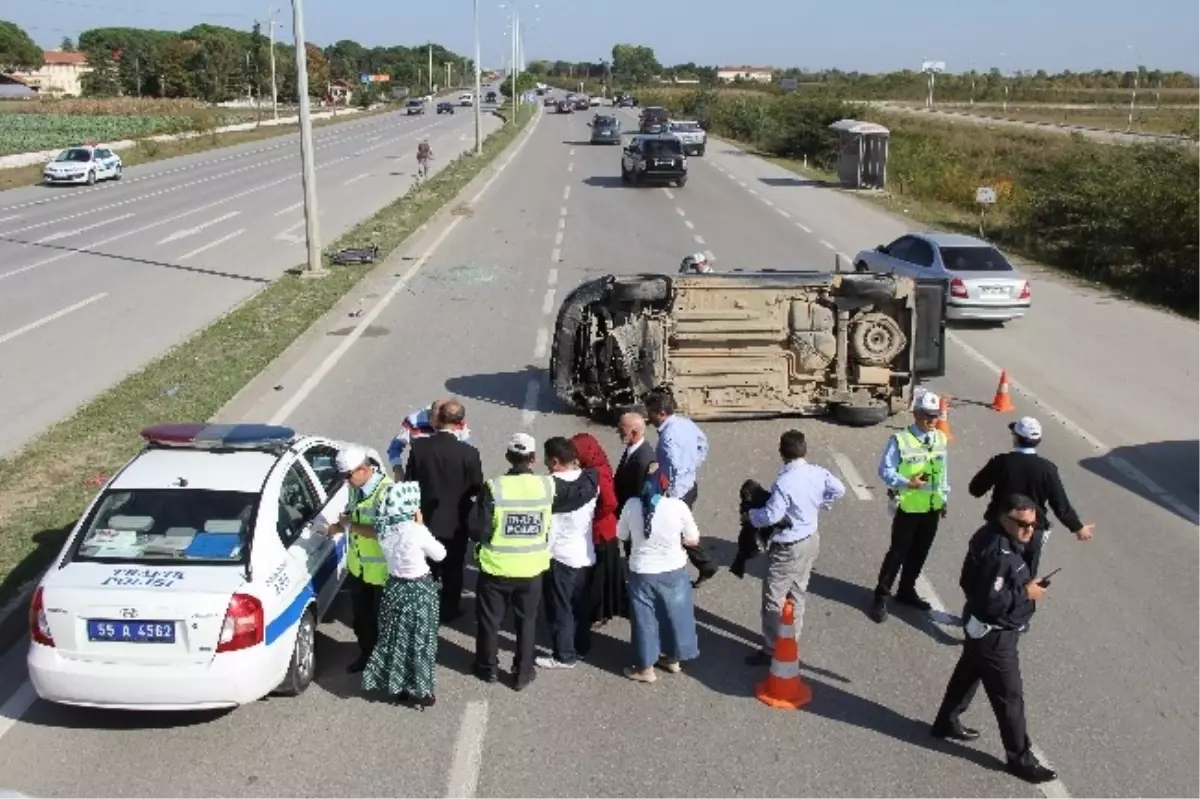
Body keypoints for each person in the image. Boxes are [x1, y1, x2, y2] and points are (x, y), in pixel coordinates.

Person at [931, 494, 1059, 785]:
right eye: (1023, 524)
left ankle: (946, 722)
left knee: (969, 672)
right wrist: (1026, 594)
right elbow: (992, 602)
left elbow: (969, 582)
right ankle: (1020, 759)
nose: (1029, 530)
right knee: (1009, 698)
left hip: (981, 628)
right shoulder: (998, 555)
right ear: (1004, 518)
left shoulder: (989, 535)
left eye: (1033, 525)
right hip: (996, 635)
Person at [468, 433, 599, 690]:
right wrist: (593, 474)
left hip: (496, 568)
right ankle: (523, 672)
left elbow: (477, 530)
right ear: (533, 458)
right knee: (526, 622)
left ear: (508, 456)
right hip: (531, 569)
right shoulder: (547, 486)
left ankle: (487, 667)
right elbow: (579, 493)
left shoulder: (494, 487)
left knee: (489, 622)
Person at [743, 431, 846, 665]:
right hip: (810, 539)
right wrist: (822, 502)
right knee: (798, 592)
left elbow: (772, 515)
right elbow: (839, 489)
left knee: (774, 598)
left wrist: (751, 516)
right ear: (804, 450)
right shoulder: (818, 472)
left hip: (788, 546)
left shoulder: (784, 482)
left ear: (781, 453)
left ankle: (771, 648)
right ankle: (791, 640)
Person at [968, 416, 1094, 577]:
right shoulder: (1047, 469)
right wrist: (1078, 528)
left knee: (993, 575)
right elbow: (1060, 505)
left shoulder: (1001, 462)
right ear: (1038, 440)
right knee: (1025, 580)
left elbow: (975, 489)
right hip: (1032, 531)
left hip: (1000, 528)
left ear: (1016, 438)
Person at [362, 481, 445, 708]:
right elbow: (440, 554)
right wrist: (422, 525)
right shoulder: (416, 531)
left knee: (394, 639)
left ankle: (396, 685)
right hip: (420, 591)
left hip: (394, 589)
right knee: (421, 641)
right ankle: (424, 689)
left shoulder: (383, 530)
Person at [869, 390, 949, 623]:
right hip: (908, 508)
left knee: (920, 553)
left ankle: (906, 591)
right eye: (928, 415)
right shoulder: (900, 439)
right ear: (916, 414)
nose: (933, 420)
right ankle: (881, 595)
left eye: (936, 416)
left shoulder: (940, 439)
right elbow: (885, 471)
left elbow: (943, 473)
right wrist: (907, 483)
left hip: (932, 508)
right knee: (897, 554)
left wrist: (944, 498)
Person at [617, 462, 701, 683]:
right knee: (674, 614)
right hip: (673, 569)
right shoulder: (678, 507)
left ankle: (645, 668)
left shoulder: (632, 505)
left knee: (645, 619)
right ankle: (672, 658)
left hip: (642, 571)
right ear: (666, 485)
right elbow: (693, 540)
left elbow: (622, 535)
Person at [403, 399, 483, 622]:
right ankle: (449, 608)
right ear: (460, 423)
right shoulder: (469, 453)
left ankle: (422, 605)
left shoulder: (420, 448)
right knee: (454, 566)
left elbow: (410, 482)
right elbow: (476, 485)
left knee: (424, 565)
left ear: (438, 419)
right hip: (457, 519)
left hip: (425, 518)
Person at [643, 389, 718, 588]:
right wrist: (692, 466)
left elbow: (673, 469)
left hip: (676, 494)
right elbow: (703, 445)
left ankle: (688, 569)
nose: (647, 415)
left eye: (650, 411)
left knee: (672, 532)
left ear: (660, 413)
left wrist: (666, 496)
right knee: (682, 530)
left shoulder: (667, 437)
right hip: (690, 486)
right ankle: (703, 565)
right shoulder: (685, 423)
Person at [536, 437, 598, 669]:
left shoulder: (548, 487)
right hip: (585, 552)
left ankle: (564, 655)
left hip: (560, 556)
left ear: (554, 461)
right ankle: (581, 646)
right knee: (580, 606)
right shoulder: (592, 480)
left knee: (559, 608)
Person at [336, 445, 394, 673]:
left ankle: (386, 665)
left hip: (382, 574)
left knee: (385, 624)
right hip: (359, 570)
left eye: (348, 476)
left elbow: (384, 530)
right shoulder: (355, 488)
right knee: (361, 621)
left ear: (363, 469)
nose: (346, 482)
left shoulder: (387, 492)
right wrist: (336, 528)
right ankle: (367, 656)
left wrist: (349, 525)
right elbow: (353, 516)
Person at [572, 432, 625, 627]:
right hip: (605, 529)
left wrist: (593, 516)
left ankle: (599, 612)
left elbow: (610, 502)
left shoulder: (597, 473)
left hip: (601, 531)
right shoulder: (596, 465)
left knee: (598, 577)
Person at [387, 398, 472, 478]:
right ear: (431, 415)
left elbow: (467, 449)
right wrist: (398, 470)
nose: (443, 428)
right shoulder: (413, 422)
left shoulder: (454, 422)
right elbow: (395, 447)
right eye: (439, 424)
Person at [614, 412, 656, 510]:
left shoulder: (643, 460)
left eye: (622, 430)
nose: (618, 432)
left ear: (634, 433)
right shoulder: (632, 448)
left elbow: (639, 495)